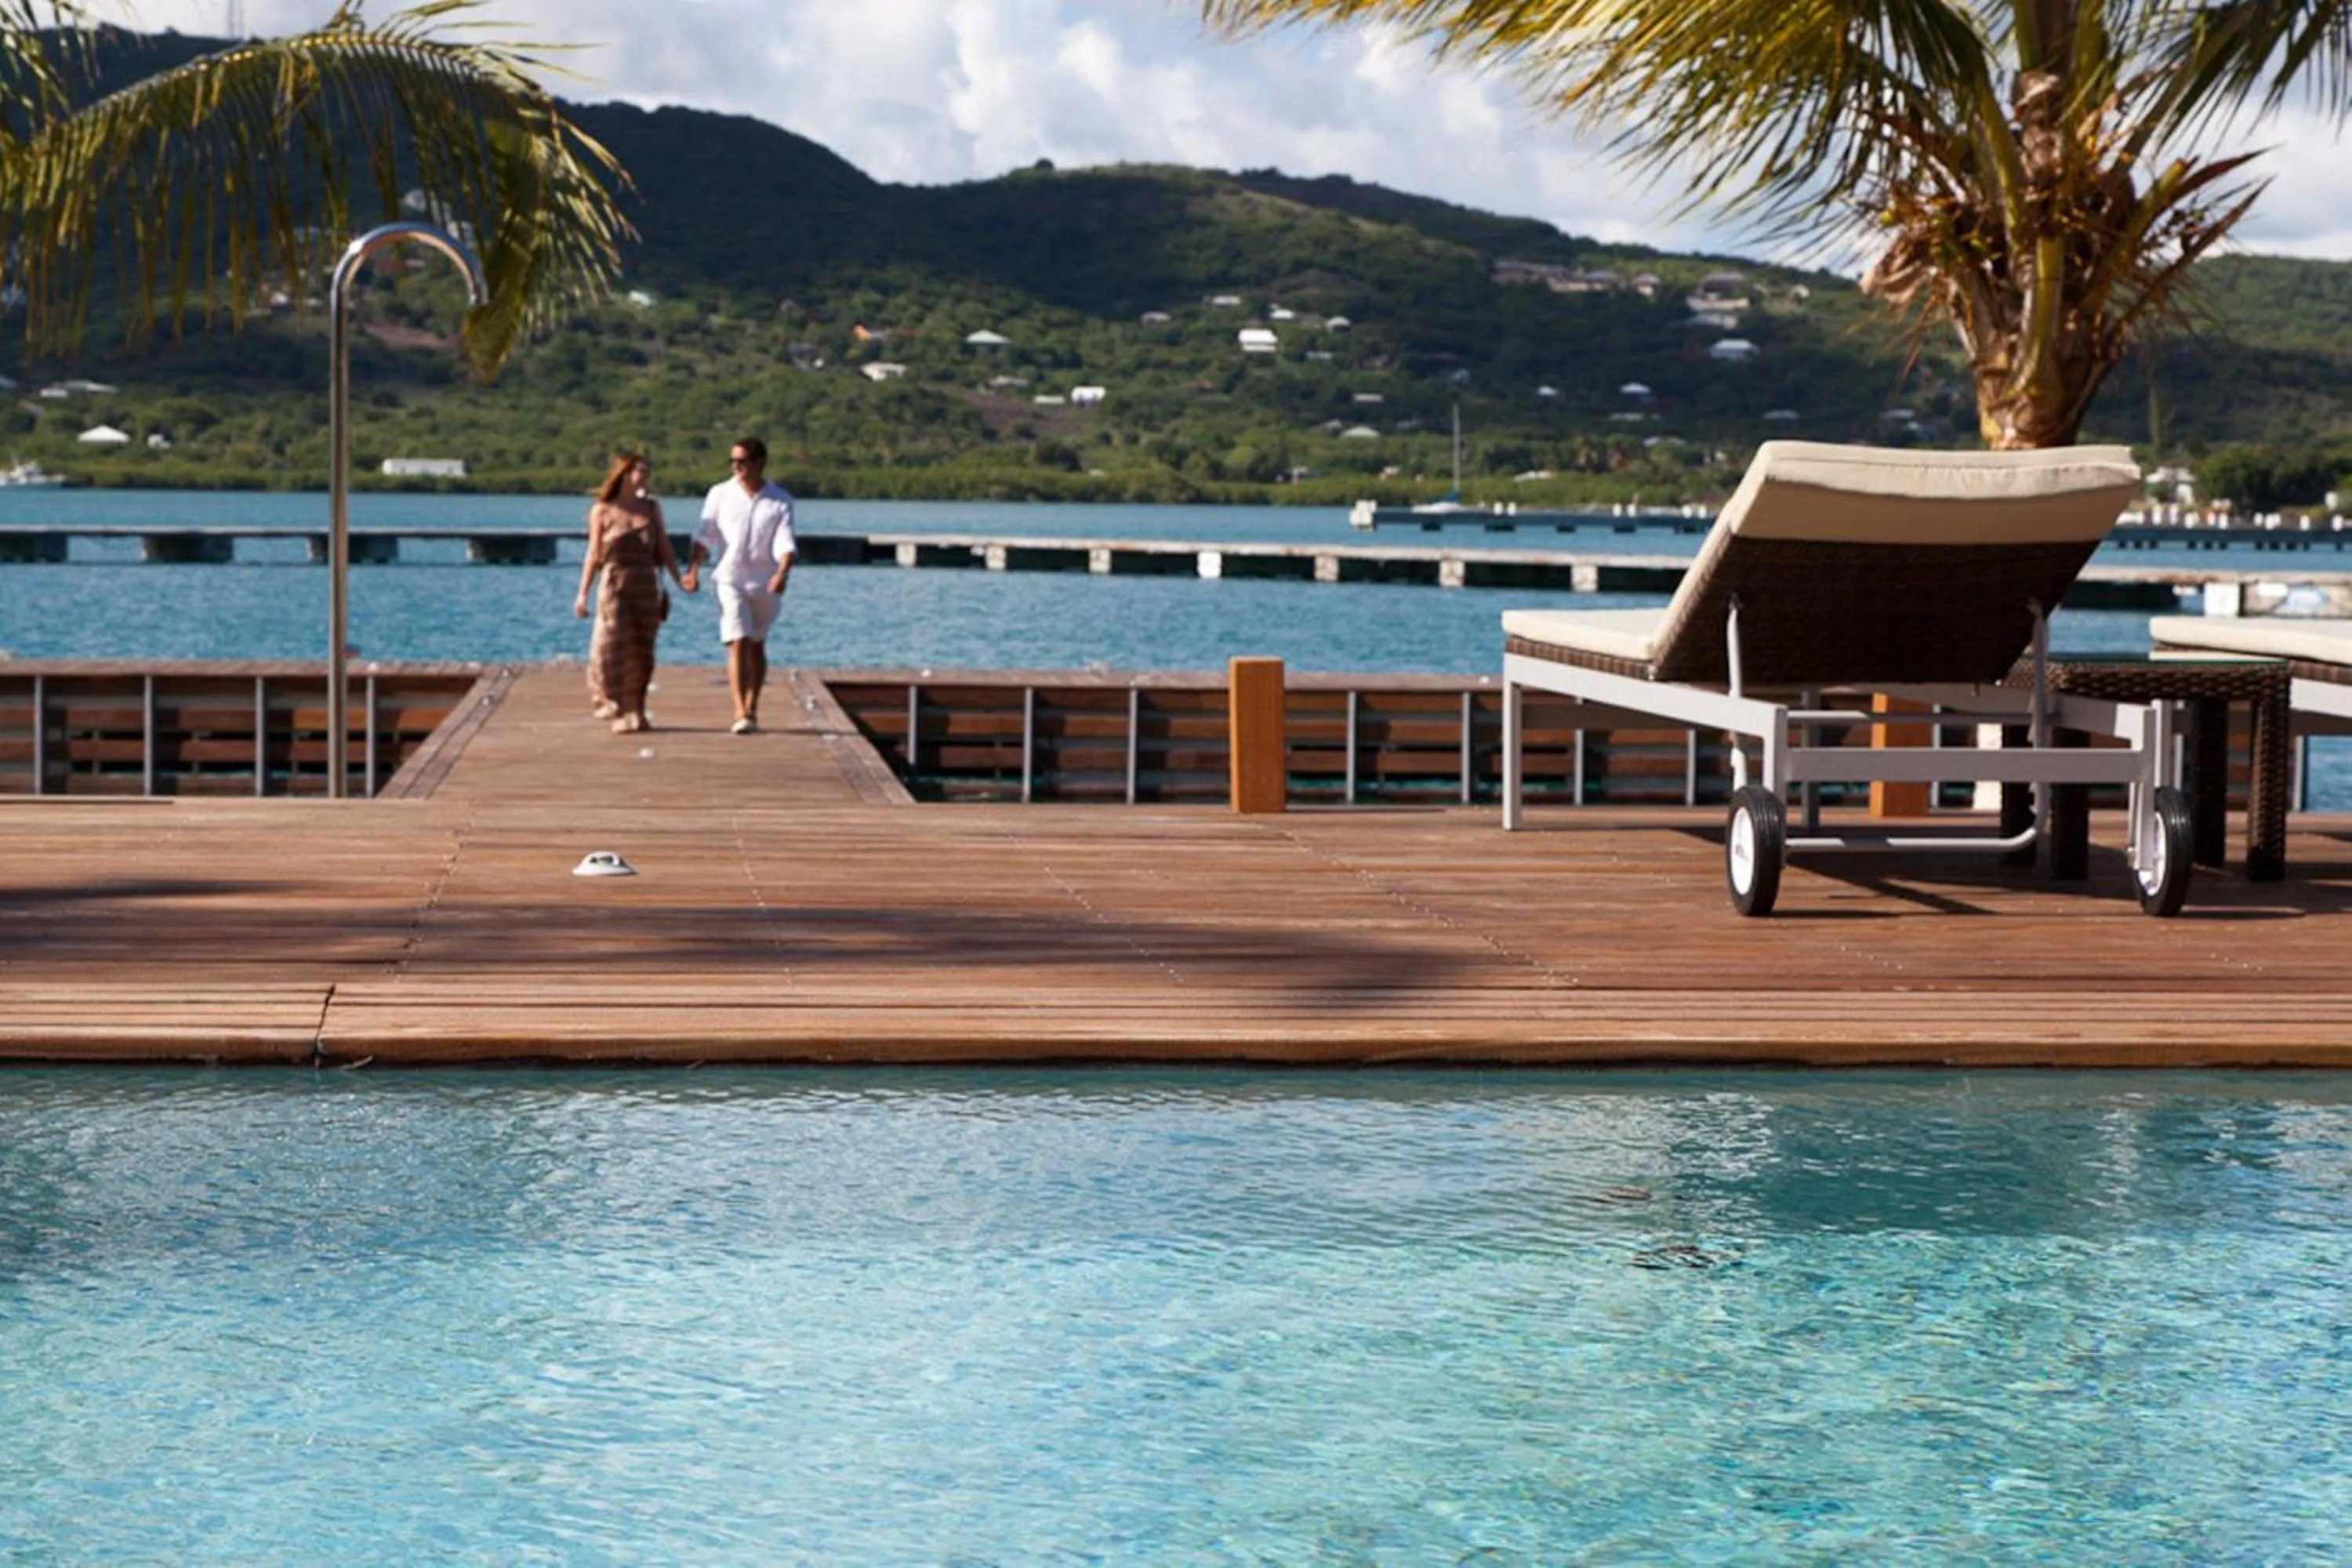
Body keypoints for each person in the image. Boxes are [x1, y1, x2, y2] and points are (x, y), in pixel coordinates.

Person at [682, 435, 797, 734]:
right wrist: (693, 570)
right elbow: (705, 535)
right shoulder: (719, 494)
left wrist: (783, 572)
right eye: (732, 461)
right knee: (738, 639)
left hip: (764, 581)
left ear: (758, 462)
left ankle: (753, 706)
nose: (736, 466)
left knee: (757, 643)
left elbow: (785, 541)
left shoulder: (780, 499)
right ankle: (739, 711)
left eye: (742, 461)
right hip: (729, 577)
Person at [574, 451, 684, 734]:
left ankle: (637, 710)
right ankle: (615, 706)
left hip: (646, 583)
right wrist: (582, 594)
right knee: (610, 646)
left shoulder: (650, 508)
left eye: (647, 472)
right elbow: (594, 554)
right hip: (614, 584)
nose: (645, 477)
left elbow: (664, 546)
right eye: (640, 472)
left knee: (642, 649)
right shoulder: (603, 510)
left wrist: (678, 578)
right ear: (624, 474)